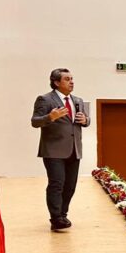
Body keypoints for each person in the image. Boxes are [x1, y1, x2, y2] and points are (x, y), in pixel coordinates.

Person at [31, 68, 91, 232]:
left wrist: (86, 120)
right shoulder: (45, 99)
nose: (71, 82)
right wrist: (50, 117)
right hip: (53, 150)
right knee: (57, 184)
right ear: (56, 82)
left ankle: (63, 214)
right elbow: (35, 122)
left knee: (70, 185)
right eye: (67, 79)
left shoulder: (78, 100)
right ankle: (56, 218)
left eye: (72, 79)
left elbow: (86, 121)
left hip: (74, 149)